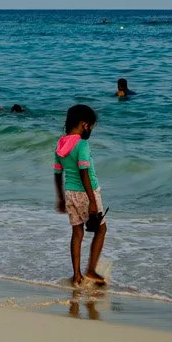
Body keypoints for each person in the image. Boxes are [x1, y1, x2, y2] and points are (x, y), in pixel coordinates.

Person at [54, 104, 106, 287]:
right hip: (86, 192)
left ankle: (76, 275)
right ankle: (90, 269)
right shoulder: (82, 144)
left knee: (77, 232)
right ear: (84, 124)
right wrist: (92, 201)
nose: (91, 129)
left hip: (70, 193)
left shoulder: (61, 144)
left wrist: (60, 198)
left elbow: (57, 173)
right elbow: (84, 172)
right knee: (101, 229)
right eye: (91, 126)